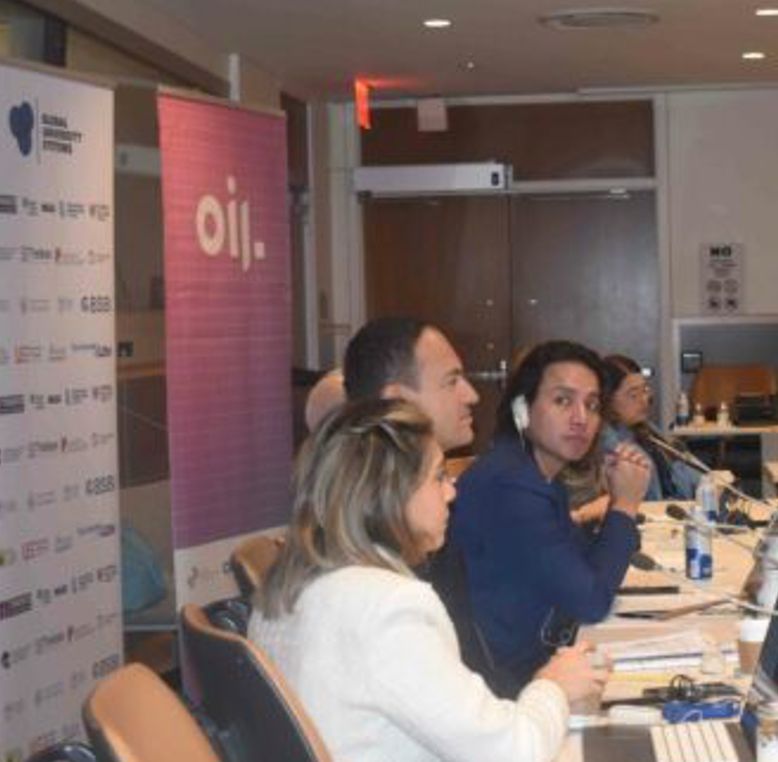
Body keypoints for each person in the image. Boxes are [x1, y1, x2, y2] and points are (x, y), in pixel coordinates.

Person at [249, 399, 608, 762]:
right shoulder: (387, 606)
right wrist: (554, 684)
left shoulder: (278, 595)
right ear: (390, 492)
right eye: (438, 477)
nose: (451, 492)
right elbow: (513, 752)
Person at [451, 340, 650, 692]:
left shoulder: (536, 475)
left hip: (541, 662)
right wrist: (624, 506)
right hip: (515, 686)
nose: (581, 418)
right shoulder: (511, 485)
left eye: (592, 405)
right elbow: (591, 601)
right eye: (562, 401)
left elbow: (583, 569)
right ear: (522, 409)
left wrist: (616, 513)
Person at [342, 316, 490, 678]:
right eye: (451, 381)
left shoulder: (393, 511)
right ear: (396, 401)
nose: (472, 395)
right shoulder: (387, 536)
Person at [601, 354, 700, 500]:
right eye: (633, 395)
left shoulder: (644, 428)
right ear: (608, 400)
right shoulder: (611, 444)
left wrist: (708, 482)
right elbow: (649, 498)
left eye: (645, 390)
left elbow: (678, 466)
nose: (644, 399)